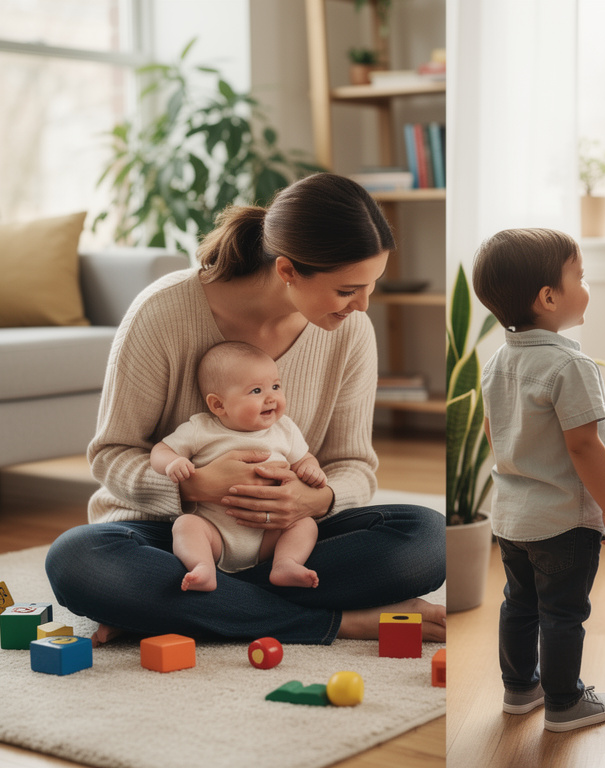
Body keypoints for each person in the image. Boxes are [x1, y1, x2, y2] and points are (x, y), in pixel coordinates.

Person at [45, 172, 447, 646]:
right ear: (287, 270)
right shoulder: (163, 312)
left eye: (371, 286)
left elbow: (353, 464)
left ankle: (173, 609)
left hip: (287, 543)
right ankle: (339, 621)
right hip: (175, 537)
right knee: (78, 562)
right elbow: (111, 454)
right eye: (346, 290)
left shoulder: (350, 332)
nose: (362, 306)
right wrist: (194, 485)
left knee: (427, 538)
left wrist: (315, 500)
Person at [472, 227, 605, 733]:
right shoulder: (570, 364)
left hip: (512, 519)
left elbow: (495, 434)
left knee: (519, 604)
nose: (586, 286)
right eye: (579, 276)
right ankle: (564, 702)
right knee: (563, 613)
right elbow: (584, 446)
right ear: (548, 298)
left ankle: (520, 689)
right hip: (564, 521)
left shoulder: (497, 362)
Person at [153, 341, 326, 593]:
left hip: (270, 535)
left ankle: (285, 563)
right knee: (186, 525)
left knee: (306, 524)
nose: (271, 397)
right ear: (218, 405)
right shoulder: (201, 428)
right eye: (256, 390)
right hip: (215, 533)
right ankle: (202, 567)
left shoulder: (285, 429)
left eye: (276, 386)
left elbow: (305, 459)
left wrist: (312, 469)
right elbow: (160, 450)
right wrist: (173, 462)